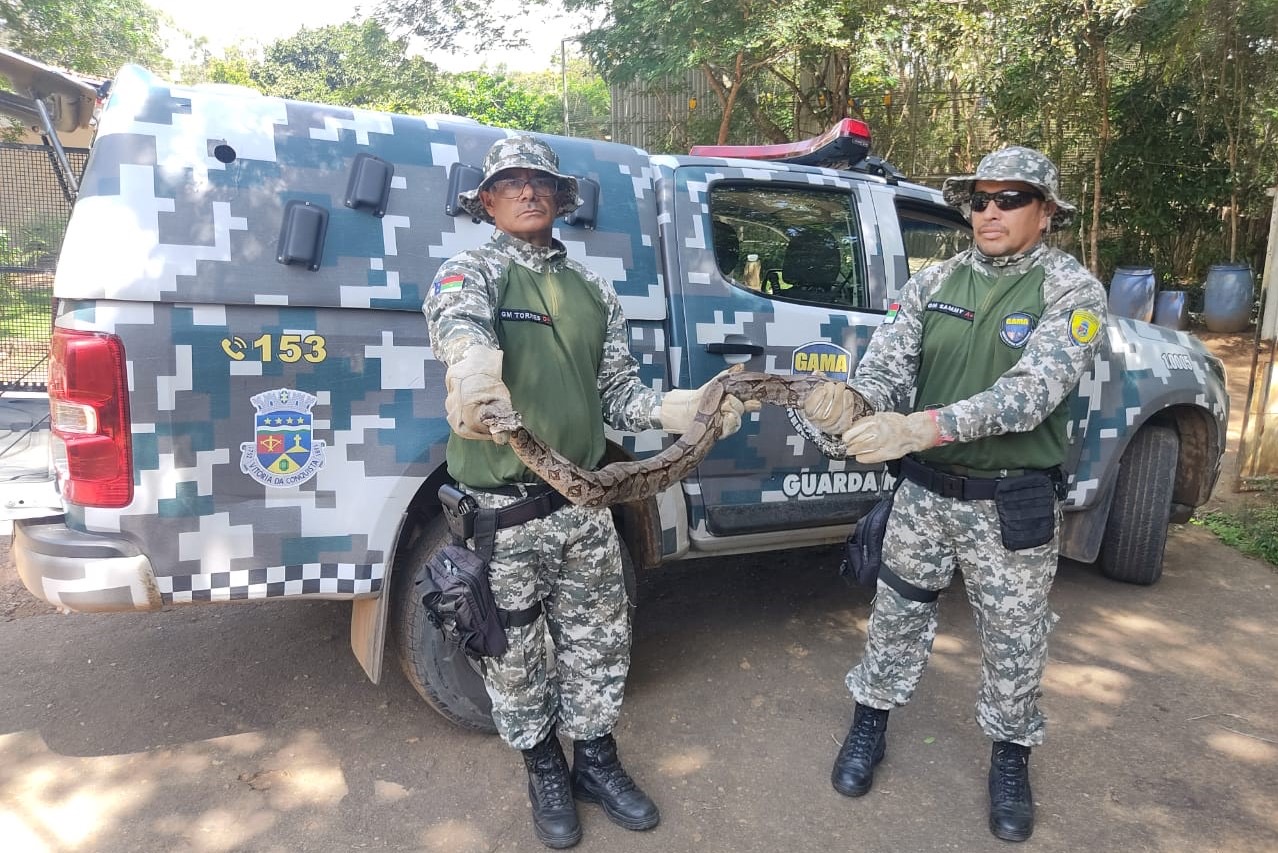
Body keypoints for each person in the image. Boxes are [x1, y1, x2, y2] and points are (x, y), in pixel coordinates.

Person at [424, 135, 753, 849]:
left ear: (560, 198)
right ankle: (544, 769)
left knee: (600, 642)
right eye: (510, 182)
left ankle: (596, 763)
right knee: (514, 655)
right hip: (502, 514)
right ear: (488, 202)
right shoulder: (471, 270)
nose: (527, 191)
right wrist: (474, 373)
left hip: (584, 505)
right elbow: (459, 328)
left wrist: (683, 409)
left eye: (540, 182)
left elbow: (620, 394)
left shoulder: (592, 289)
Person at [803, 146, 1107, 842]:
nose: (990, 211)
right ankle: (869, 725)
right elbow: (887, 368)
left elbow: (1031, 394)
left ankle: (1011, 758)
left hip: (1011, 503)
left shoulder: (1071, 291)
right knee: (895, 616)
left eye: (1010, 198)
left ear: (1046, 212)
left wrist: (923, 426)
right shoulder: (934, 281)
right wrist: (853, 404)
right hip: (924, 496)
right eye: (980, 199)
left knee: (1014, 639)